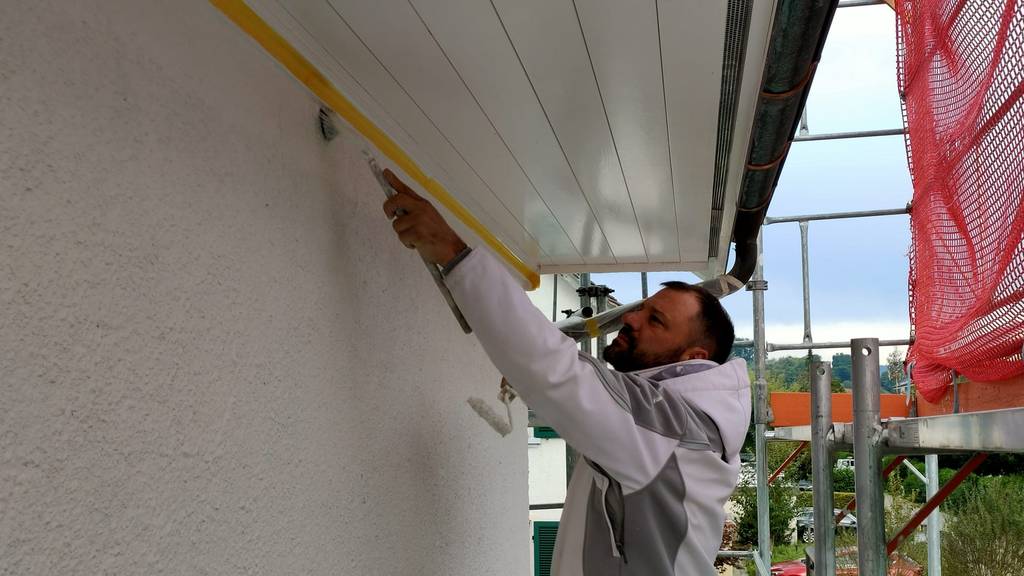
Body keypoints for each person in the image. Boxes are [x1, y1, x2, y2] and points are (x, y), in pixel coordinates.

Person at [382, 169, 752, 576]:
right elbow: (580, 391)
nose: (631, 318)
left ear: (692, 356)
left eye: (656, 321)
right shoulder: (685, 430)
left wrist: (453, 253)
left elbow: (557, 371)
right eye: (641, 307)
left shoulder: (671, 430)